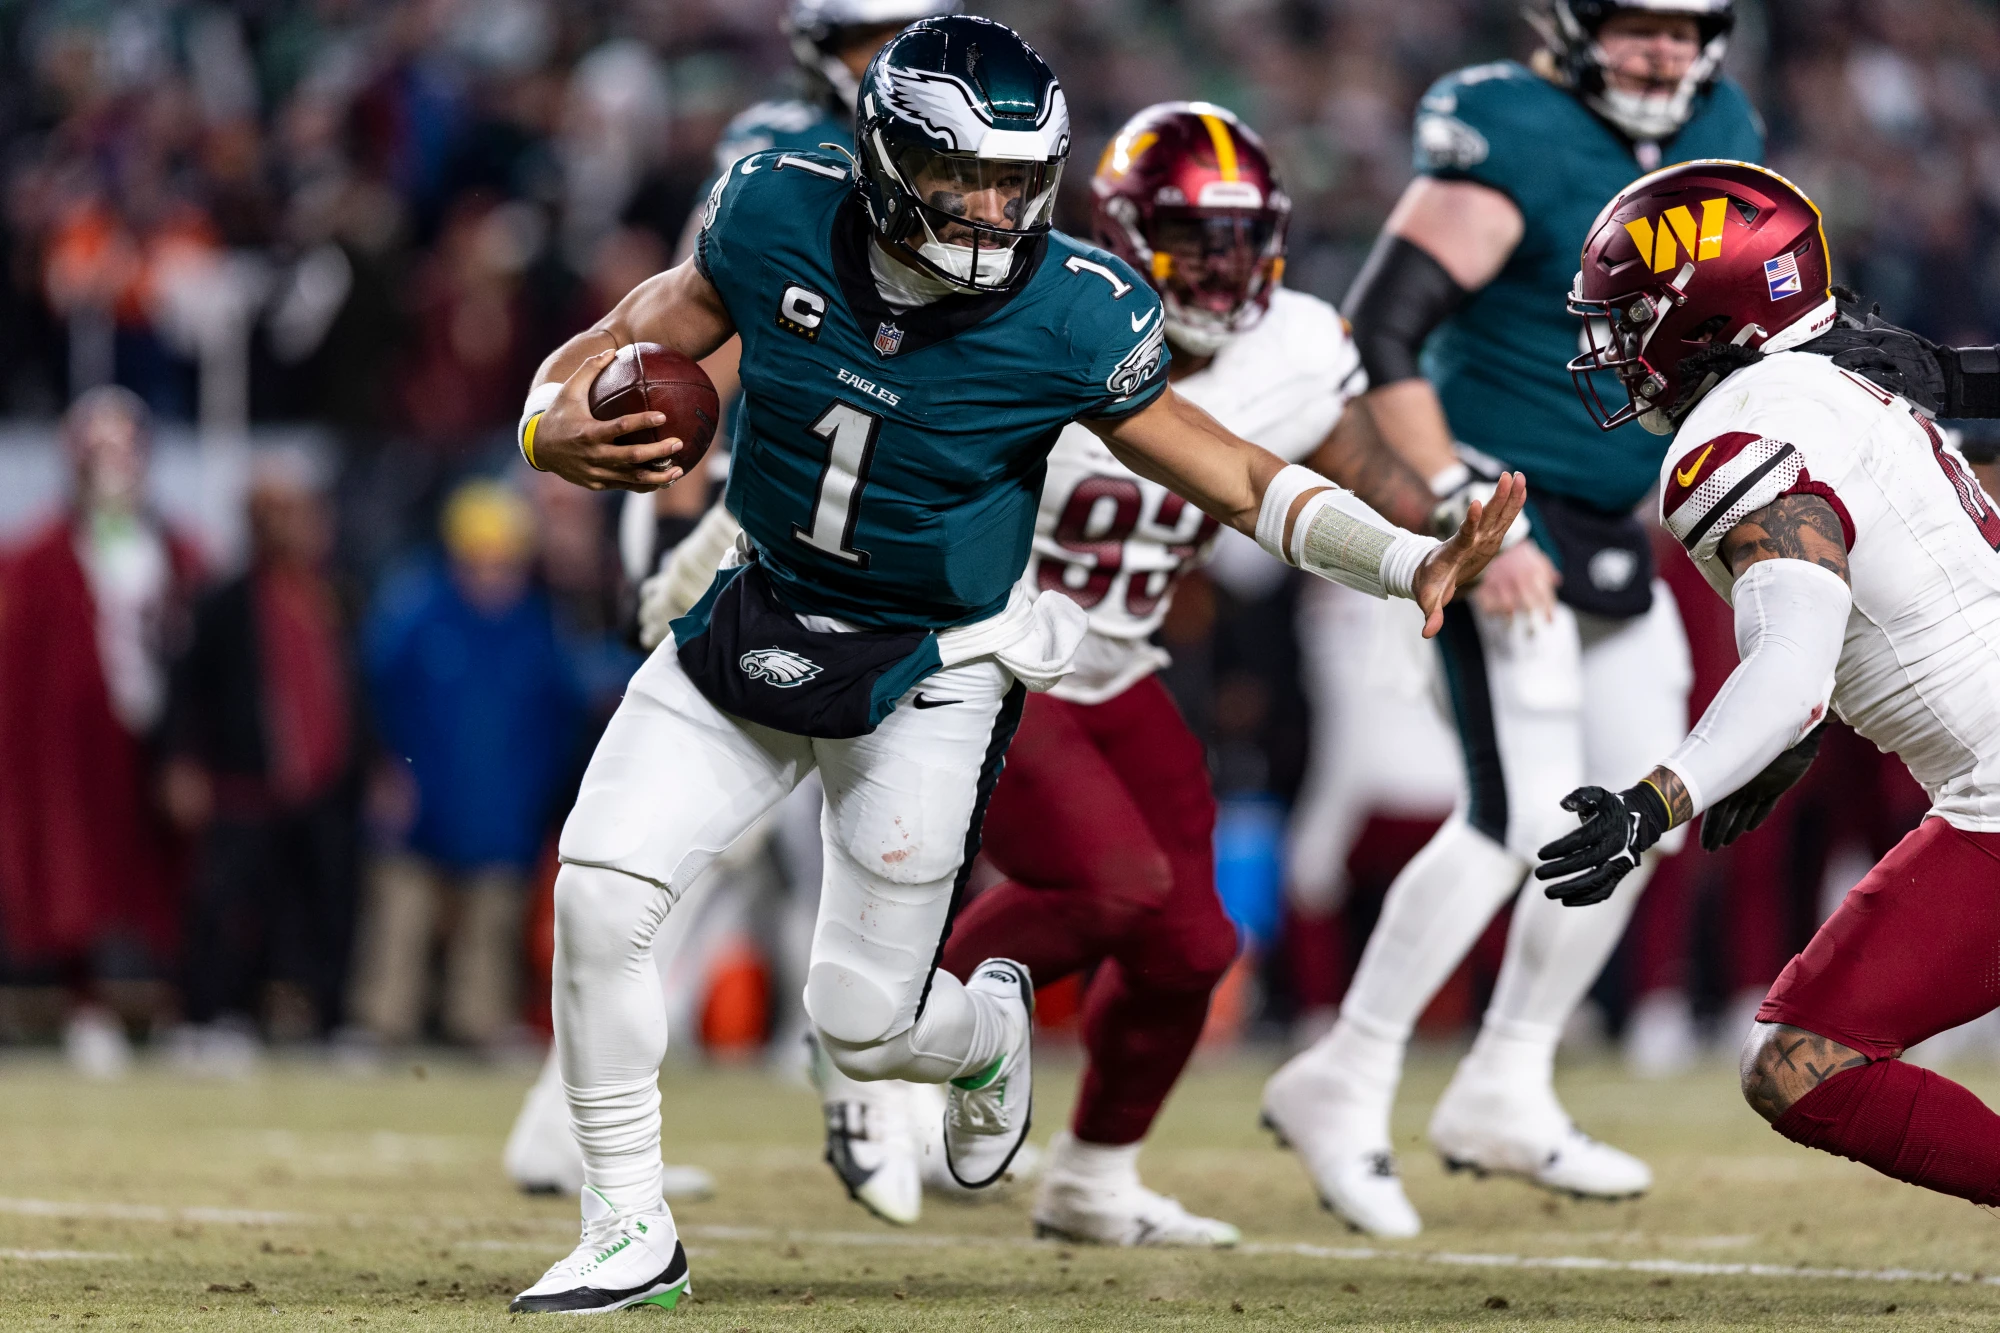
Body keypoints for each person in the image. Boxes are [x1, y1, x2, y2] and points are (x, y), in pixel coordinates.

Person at [508, 16, 1521, 1313]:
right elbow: (622, 334)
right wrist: (550, 427)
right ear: (884, 161)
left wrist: (1406, 560)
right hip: (760, 608)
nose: (991, 207)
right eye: (962, 175)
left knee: (862, 1020)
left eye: (1013, 177)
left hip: (930, 666)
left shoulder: (1073, 309)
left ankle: (984, 1033)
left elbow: (1235, 474)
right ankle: (624, 1224)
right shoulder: (772, 209)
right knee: (600, 892)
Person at [1262, 0, 1763, 1237]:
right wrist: (1457, 517)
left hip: (1611, 528)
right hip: (1492, 515)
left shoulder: (1722, 124)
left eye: (1680, 27)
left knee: (1630, 819)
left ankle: (1505, 1081)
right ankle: (1345, 1070)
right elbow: (1380, 330)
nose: (1659, 52)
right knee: (1504, 821)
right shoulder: (1508, 126)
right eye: (1635, 26)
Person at [1541, 156, 2000, 1215]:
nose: (1608, 348)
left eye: (1626, 318)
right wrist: (1787, 743)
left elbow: (1791, 665)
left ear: (1702, 319)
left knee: (1804, 1062)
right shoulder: (1844, 381)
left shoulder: (1731, 441)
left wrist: (1649, 803)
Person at [0, 387, 202, 1078]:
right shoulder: (37, 557)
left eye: (125, 447)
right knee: (75, 868)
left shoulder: (175, 549)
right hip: (78, 739)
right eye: (100, 449)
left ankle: (184, 1009)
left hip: (158, 731)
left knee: (170, 869)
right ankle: (86, 1007)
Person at [349, 479, 585, 1050]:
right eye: (481, 561)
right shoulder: (415, 614)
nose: (492, 575)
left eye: (503, 562)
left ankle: (478, 1023)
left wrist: (545, 796)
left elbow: (564, 716)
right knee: (400, 919)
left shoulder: (536, 627)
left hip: (502, 809)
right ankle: (381, 1025)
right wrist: (382, 768)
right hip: (421, 799)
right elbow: (368, 694)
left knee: (492, 925)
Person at [160, 450, 361, 1064]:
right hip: (246, 780)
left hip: (324, 781)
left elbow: (352, 691)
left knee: (330, 901)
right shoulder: (225, 601)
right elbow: (187, 687)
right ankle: (212, 1016)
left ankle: (331, 1022)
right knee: (229, 908)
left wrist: (372, 763)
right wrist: (180, 761)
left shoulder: (334, 596)